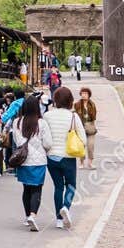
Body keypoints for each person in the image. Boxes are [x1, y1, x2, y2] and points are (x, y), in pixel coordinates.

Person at [42, 86, 87, 229]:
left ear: (55, 100)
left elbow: (44, 136)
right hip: (68, 156)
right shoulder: (73, 116)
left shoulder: (47, 116)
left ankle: (58, 220)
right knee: (71, 185)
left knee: (58, 187)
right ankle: (66, 207)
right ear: (70, 100)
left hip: (51, 156)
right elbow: (84, 140)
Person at [7, 95, 51, 232]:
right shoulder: (41, 123)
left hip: (23, 160)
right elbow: (48, 143)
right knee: (37, 188)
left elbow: (15, 140)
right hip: (38, 161)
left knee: (26, 189)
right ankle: (33, 214)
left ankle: (27, 216)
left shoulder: (17, 122)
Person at [74, 87, 99, 166]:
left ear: (89, 95)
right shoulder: (77, 104)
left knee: (91, 146)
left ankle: (90, 162)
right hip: (80, 126)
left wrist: (93, 125)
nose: (84, 95)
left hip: (90, 126)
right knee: (81, 146)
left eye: (86, 93)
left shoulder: (92, 104)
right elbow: (74, 115)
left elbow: (94, 117)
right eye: (82, 93)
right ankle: (81, 162)